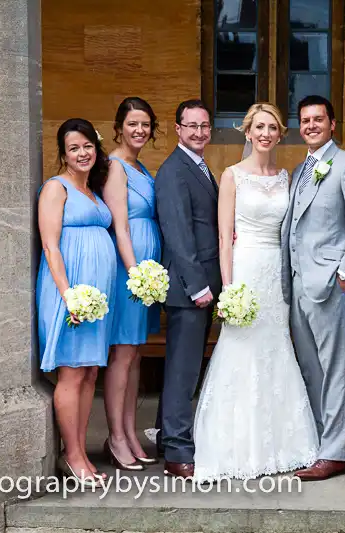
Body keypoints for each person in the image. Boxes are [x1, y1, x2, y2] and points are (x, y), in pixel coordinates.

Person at [193, 103, 319, 483]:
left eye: (272, 128)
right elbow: (223, 237)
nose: (265, 133)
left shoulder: (287, 178)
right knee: (240, 348)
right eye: (258, 127)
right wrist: (229, 290)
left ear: (281, 134)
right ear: (247, 132)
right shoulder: (232, 176)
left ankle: (283, 443)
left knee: (276, 348)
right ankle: (233, 445)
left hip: (277, 273)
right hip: (245, 268)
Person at [280, 95, 345, 481]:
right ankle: (319, 441)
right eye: (304, 120)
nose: (310, 126)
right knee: (310, 368)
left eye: (318, 119)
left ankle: (335, 453)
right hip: (297, 284)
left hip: (327, 284)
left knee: (335, 369)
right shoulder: (300, 169)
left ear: (332, 124)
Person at [36, 118, 116, 488]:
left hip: (97, 297)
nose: (83, 153)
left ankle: (80, 451)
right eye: (74, 148)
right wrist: (69, 294)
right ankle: (71, 455)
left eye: (87, 146)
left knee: (90, 372)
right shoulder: (57, 188)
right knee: (71, 372)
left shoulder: (93, 192)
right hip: (70, 293)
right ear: (63, 154)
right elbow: (51, 246)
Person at [153, 99, 223, 479]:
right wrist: (197, 286)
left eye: (204, 125)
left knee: (186, 365)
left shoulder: (197, 166)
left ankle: (167, 435)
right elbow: (178, 233)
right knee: (183, 368)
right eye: (191, 125)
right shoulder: (173, 171)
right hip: (188, 288)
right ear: (177, 128)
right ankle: (178, 450)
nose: (199, 132)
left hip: (203, 284)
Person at [101, 97, 162, 471]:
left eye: (145, 124)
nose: (139, 130)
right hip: (130, 273)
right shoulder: (114, 166)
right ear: (119, 126)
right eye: (132, 124)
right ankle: (115, 436)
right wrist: (134, 271)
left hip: (146, 275)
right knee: (122, 355)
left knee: (135, 352)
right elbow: (121, 225)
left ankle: (129, 429)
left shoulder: (142, 167)